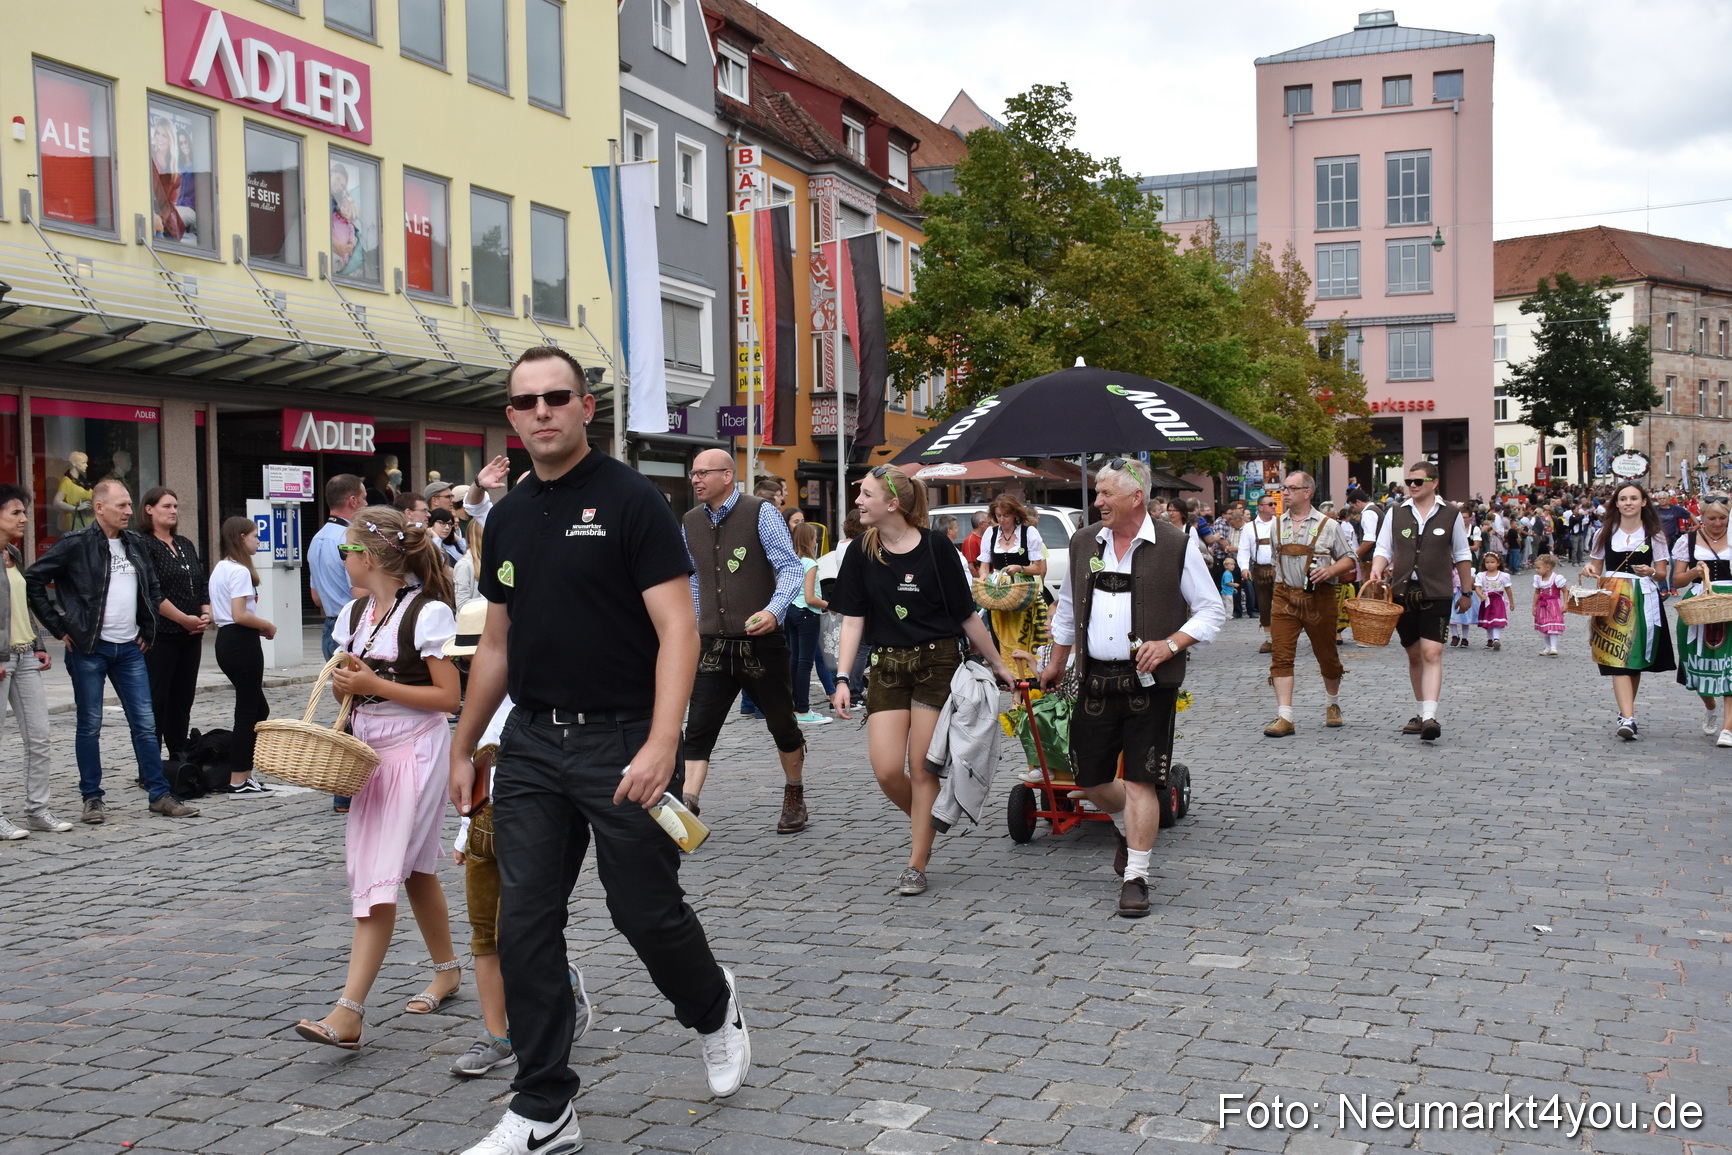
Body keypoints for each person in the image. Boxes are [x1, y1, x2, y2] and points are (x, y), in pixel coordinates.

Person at [450, 347, 747, 1155]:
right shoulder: (507, 515)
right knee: (524, 923)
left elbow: (679, 629)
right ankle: (545, 1105)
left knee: (643, 912)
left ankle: (712, 1005)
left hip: (622, 738)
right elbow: (497, 643)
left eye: (557, 396)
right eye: (525, 401)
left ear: (586, 407)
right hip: (531, 743)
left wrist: (661, 743)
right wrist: (464, 742)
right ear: (511, 417)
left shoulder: (631, 499)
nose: (541, 410)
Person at [292, 505, 462, 1052]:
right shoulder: (354, 614)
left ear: (368, 556)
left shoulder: (428, 614)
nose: (342, 558)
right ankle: (448, 970)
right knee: (413, 871)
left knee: (383, 873)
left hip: (416, 749)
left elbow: (449, 698)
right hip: (369, 752)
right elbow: (352, 686)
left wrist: (376, 686)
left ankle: (349, 1012)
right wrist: (348, 686)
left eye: (346, 549)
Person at [1040, 459, 1223, 917]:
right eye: (1098, 492)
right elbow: (1068, 609)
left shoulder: (1176, 544)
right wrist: (1057, 663)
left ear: (1136, 497)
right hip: (1096, 679)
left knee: (1142, 779)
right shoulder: (1084, 542)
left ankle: (1136, 877)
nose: (1097, 501)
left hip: (1151, 684)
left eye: (1106, 493)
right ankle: (1128, 825)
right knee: (1090, 779)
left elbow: (1211, 610)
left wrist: (1170, 644)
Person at [831, 465, 1014, 898]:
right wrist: (841, 678)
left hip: (937, 662)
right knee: (886, 770)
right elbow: (853, 620)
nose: (858, 501)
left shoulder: (936, 547)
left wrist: (997, 663)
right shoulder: (861, 550)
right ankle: (929, 819)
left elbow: (966, 615)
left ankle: (916, 861)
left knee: (921, 766)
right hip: (887, 666)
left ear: (892, 503)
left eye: (867, 495)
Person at [25, 480, 198, 822]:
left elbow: (151, 588)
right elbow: (34, 580)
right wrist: (60, 628)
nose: (128, 511)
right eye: (121, 505)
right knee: (90, 725)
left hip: (130, 648)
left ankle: (159, 794)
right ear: (99, 507)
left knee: (145, 723)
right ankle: (92, 798)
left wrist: (147, 629)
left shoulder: (136, 543)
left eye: (130, 504)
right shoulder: (75, 543)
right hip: (89, 648)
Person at [680, 448, 810, 832]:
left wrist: (773, 610)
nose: (696, 479)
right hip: (713, 646)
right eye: (693, 473)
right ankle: (687, 807)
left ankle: (794, 792)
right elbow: (692, 580)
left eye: (703, 473)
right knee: (698, 730)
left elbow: (790, 567)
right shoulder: (689, 521)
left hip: (761, 645)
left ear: (727, 476)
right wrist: (696, 622)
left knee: (782, 725)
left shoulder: (760, 512)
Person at [1368, 462, 1473, 742]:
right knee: (1414, 655)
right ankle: (1420, 711)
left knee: (1432, 653)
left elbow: (1462, 554)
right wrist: (1377, 567)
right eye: (1409, 481)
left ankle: (1429, 717)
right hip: (1403, 593)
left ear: (1434, 482)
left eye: (1418, 481)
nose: (1412, 486)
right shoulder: (1395, 511)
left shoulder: (1450, 513)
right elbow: (1383, 547)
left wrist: (1466, 592)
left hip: (1437, 592)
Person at [1259, 473, 1355, 736]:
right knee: (1281, 655)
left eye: (1292, 488)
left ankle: (1332, 703)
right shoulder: (1276, 525)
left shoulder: (1328, 525)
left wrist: (1330, 570)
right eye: (1284, 488)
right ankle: (1285, 716)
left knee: (1327, 656)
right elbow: (1275, 560)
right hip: (1284, 597)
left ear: (1307, 492)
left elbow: (1349, 559)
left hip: (1319, 598)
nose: (1285, 493)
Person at [1582, 482, 1675, 740]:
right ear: (1617, 503)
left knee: (1633, 660)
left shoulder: (1654, 534)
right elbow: (1596, 567)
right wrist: (1589, 570)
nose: (1628, 503)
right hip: (1613, 596)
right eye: (1623, 499)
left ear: (1643, 502)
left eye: (1634, 498)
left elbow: (1662, 574)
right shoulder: (1605, 532)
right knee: (1617, 657)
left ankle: (1626, 713)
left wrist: (1651, 571)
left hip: (1643, 597)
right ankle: (1628, 717)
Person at [0, 485, 68, 839]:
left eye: (24, 512)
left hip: (25, 655)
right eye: (15, 512)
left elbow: (20, 605)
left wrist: (38, 643)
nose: (24, 519)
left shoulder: (13, 553)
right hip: (1, 659)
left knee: (39, 737)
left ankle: (38, 810)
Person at [138, 487, 210, 769]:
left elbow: (200, 582)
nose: (173, 511)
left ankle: (178, 754)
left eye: (175, 506)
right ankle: (150, 764)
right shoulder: (144, 544)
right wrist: (182, 618)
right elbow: (151, 592)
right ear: (149, 509)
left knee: (182, 699)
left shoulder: (184, 543)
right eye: (167, 506)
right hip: (161, 635)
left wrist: (205, 613)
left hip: (191, 635)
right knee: (157, 700)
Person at [209, 517, 276, 794]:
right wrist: (267, 625)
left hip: (228, 640)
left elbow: (224, 614)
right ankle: (238, 777)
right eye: (254, 536)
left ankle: (244, 773)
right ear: (241, 537)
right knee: (248, 711)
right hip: (240, 642)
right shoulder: (239, 571)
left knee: (258, 709)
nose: (258, 540)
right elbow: (239, 615)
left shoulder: (220, 568)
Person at [1671, 493, 1732, 745]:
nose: (1718, 523)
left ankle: (1728, 728)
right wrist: (1694, 572)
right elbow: (1676, 581)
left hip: (1729, 603)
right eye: (1712, 518)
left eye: (1723, 518)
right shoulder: (1688, 541)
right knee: (1695, 663)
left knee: (1730, 664)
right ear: (1702, 517)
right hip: (1698, 605)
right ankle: (1710, 706)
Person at [974, 494, 1050, 679]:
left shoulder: (1029, 533)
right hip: (998, 592)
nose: (1002, 519)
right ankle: (1009, 678)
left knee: (1022, 634)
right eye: (998, 515)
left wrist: (1020, 568)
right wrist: (983, 578)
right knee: (1001, 634)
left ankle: (1028, 677)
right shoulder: (991, 534)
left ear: (1015, 514)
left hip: (1022, 591)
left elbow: (1038, 568)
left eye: (1006, 515)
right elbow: (984, 566)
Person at [310, 475, 367, 661]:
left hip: (329, 628)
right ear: (353, 501)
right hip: (352, 629)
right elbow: (359, 594)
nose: (366, 504)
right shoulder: (349, 539)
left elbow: (316, 598)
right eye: (364, 498)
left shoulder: (316, 539)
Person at [784, 522, 836, 727]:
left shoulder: (791, 562)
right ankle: (803, 710)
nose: (816, 542)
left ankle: (794, 706)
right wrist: (830, 606)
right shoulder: (810, 564)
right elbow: (810, 598)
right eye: (814, 538)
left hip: (791, 612)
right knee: (805, 663)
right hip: (807, 614)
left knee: (795, 661)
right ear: (809, 540)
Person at [1236, 494, 1278, 653]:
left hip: (1279, 569)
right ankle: (1269, 639)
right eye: (1270, 504)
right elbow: (1243, 550)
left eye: (1274, 504)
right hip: (1260, 570)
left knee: (1281, 604)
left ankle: (1282, 637)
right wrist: (1244, 568)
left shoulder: (1280, 524)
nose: (1274, 506)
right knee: (1264, 604)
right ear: (1260, 507)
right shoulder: (1249, 527)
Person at [1474, 552, 1511, 650]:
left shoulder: (1503, 575)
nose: (1489, 564)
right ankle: (1490, 639)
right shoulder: (1481, 575)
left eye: (1492, 562)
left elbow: (1508, 589)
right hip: (1486, 601)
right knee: (1488, 620)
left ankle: (1496, 639)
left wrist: (1511, 602)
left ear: (1498, 563)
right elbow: (1477, 587)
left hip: (1497, 601)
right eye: (1487, 562)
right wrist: (1481, 595)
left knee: (1497, 619)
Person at [1532, 553, 1566, 657]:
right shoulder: (1538, 579)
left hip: (1554, 605)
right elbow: (1537, 593)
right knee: (1545, 627)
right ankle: (1547, 647)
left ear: (1548, 567)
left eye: (1538, 568)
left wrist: (1565, 603)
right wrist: (1534, 606)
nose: (1536, 570)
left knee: (1553, 626)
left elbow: (1565, 591)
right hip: (1542, 606)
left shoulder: (1556, 578)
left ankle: (1553, 647)